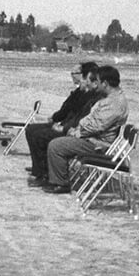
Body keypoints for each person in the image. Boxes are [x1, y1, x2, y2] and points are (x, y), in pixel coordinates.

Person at [43, 65, 129, 194]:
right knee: (58, 140)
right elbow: (91, 119)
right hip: (92, 139)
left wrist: (77, 131)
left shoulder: (115, 103)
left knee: (56, 146)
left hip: (99, 145)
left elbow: (96, 126)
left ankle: (61, 183)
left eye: (98, 82)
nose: (96, 85)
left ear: (105, 83)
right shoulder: (111, 98)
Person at [25, 62, 103, 186]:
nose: (74, 77)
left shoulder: (91, 96)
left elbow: (78, 116)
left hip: (75, 132)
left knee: (41, 136)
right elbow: (69, 110)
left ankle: (44, 174)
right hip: (70, 127)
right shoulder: (83, 93)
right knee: (32, 130)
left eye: (81, 75)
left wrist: (64, 128)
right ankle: (39, 169)